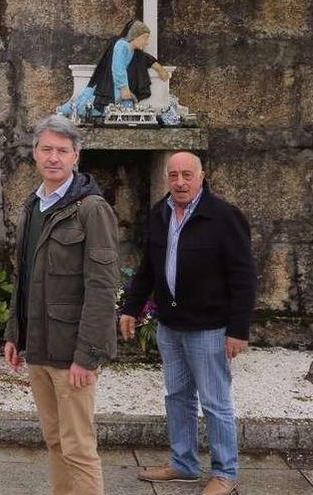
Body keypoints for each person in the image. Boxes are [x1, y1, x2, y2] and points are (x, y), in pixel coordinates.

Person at [120, 152, 257, 495]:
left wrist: (238, 329)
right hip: (171, 325)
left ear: (202, 176)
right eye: (174, 175)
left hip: (210, 328)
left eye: (187, 175)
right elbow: (148, 268)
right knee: (177, 397)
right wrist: (130, 308)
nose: (180, 182)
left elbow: (244, 277)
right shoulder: (159, 213)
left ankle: (225, 473)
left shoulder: (225, 217)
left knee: (215, 402)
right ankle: (184, 463)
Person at [3, 115, 119, 495]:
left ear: (76, 156)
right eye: (47, 149)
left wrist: (87, 355)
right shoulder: (32, 206)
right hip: (38, 348)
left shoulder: (91, 209)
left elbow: (102, 287)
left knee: (79, 448)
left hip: (73, 354)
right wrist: (14, 332)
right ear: (35, 154)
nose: (54, 157)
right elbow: (24, 278)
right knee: (54, 440)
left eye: (62, 151)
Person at [58, 20, 170, 119]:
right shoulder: (121, 46)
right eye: (144, 38)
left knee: (123, 111)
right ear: (135, 36)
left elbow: (144, 58)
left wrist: (159, 68)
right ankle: (64, 113)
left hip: (119, 88)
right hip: (114, 86)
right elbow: (118, 68)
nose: (146, 42)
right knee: (91, 107)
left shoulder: (133, 50)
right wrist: (124, 88)